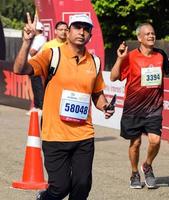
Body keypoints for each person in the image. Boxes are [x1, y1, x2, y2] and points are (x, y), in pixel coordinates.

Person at [13, 13, 114, 200]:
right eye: (77, 27)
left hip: (84, 134)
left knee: (82, 186)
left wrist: (105, 106)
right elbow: (20, 69)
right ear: (68, 32)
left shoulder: (95, 62)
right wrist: (27, 42)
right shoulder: (53, 54)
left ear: (90, 34)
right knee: (60, 188)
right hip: (55, 134)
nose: (82, 32)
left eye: (86, 29)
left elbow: (97, 94)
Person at [110, 23, 169, 189]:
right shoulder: (130, 57)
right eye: (147, 34)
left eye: (153, 33)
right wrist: (120, 58)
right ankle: (134, 173)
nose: (151, 36)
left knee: (155, 140)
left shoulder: (160, 54)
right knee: (136, 143)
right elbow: (113, 77)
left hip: (154, 107)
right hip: (133, 108)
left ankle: (147, 165)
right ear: (139, 38)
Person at [26, 21, 47, 116]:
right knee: (35, 86)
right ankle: (37, 106)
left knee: (38, 87)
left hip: (37, 65)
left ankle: (41, 107)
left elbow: (32, 52)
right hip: (33, 65)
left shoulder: (40, 38)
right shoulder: (37, 38)